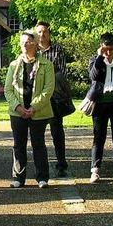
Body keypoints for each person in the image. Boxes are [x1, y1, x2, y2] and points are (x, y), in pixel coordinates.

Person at [5, 30, 55, 189]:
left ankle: (42, 177)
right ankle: (18, 178)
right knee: (18, 145)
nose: (23, 45)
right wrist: (18, 107)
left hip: (39, 113)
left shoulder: (47, 65)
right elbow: (8, 90)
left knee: (38, 144)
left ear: (34, 44)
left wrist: (33, 108)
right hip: (17, 113)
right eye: (21, 42)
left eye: (27, 42)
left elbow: (48, 90)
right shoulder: (14, 65)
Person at [86, 32, 113, 184]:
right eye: (105, 49)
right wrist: (99, 58)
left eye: (111, 49)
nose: (108, 53)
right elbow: (93, 76)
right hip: (100, 104)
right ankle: (95, 170)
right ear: (101, 48)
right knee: (98, 138)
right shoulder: (96, 59)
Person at [36, 21, 69, 177]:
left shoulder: (58, 50)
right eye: (40, 32)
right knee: (38, 133)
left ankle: (61, 164)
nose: (42, 35)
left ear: (49, 33)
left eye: (45, 32)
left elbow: (60, 73)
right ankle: (40, 167)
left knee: (57, 132)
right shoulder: (32, 50)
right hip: (37, 98)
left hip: (54, 97)